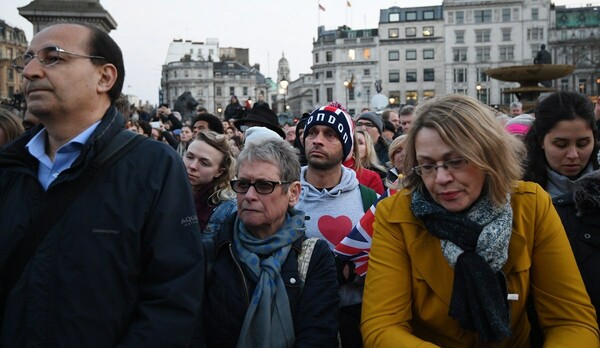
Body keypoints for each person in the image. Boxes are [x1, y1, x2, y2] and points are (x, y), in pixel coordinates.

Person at [0, 23, 204, 346]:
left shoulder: (154, 167)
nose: (30, 71)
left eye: (52, 57)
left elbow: (173, 298)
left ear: (104, 77)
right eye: (26, 60)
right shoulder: (9, 168)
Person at [361, 94, 599, 346]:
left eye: (456, 161)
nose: (441, 178)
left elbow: (571, 321)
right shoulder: (394, 215)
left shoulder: (531, 205)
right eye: (428, 165)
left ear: (489, 156)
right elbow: (381, 326)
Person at [199, 137, 339, 347]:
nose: (250, 196)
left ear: (293, 193)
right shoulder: (212, 250)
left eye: (264, 185)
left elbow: (318, 335)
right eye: (243, 184)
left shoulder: (315, 257)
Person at [296, 103, 377, 348]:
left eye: (330, 134)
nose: (317, 140)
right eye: (312, 133)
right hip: (298, 315)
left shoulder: (368, 199)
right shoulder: (285, 192)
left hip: (354, 317)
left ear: (346, 147)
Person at [523, 91, 599, 198]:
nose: (573, 155)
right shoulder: (520, 193)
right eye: (561, 145)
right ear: (541, 141)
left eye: (582, 144)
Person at [183, 130, 236, 239]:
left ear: (219, 172)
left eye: (204, 163)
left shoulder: (228, 209)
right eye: (189, 156)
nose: (193, 166)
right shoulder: (168, 192)